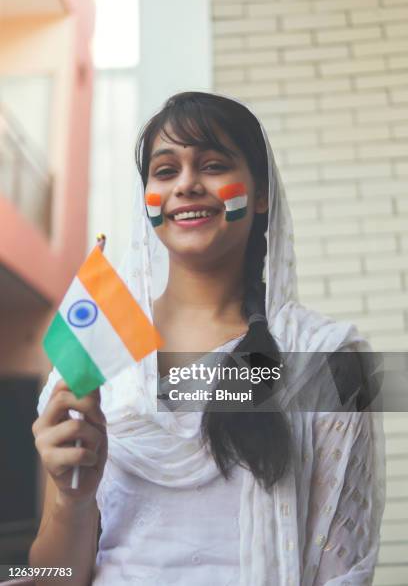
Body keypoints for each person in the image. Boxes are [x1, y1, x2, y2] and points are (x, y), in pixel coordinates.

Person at [30, 91, 386, 585]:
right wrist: (72, 499)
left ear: (261, 195)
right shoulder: (94, 353)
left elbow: (342, 573)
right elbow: (52, 576)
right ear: (147, 200)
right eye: (165, 171)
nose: (188, 185)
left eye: (213, 165)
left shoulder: (326, 359)